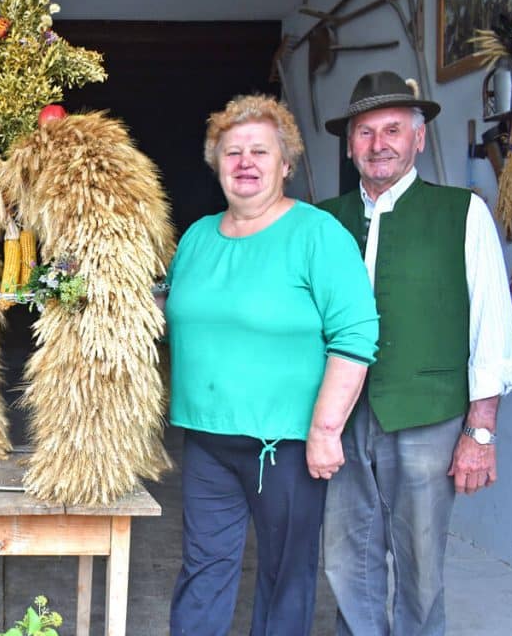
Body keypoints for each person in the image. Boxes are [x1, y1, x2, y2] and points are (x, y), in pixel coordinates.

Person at [165, 94, 379, 635]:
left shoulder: (317, 234)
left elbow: (355, 335)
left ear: (286, 165)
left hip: (285, 446)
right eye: (232, 152)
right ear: (216, 165)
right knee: (203, 569)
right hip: (208, 439)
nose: (245, 162)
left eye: (260, 151)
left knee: (286, 576)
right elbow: (169, 315)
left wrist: (326, 430)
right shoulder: (196, 238)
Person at [319, 71, 512, 636]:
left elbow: (492, 325)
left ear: (419, 139)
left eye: (391, 130)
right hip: (341, 414)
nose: (378, 144)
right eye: (364, 132)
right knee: (344, 555)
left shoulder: (462, 212)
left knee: (421, 562)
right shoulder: (323, 221)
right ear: (350, 144)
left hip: (428, 413)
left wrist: (480, 432)